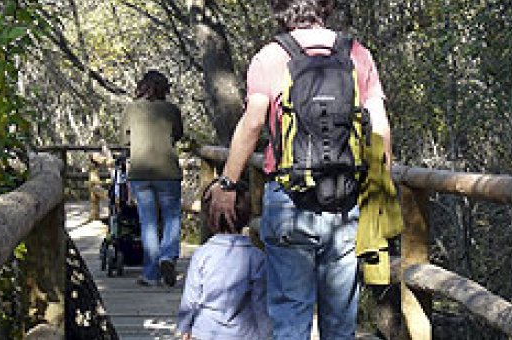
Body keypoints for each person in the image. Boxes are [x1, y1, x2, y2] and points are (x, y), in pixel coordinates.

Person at [205, 0, 392, 338]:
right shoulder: (357, 53)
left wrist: (227, 184)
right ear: (327, 7)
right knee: (340, 320)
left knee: (291, 316)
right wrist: (378, 191)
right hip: (343, 201)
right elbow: (380, 129)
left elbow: (252, 124)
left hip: (289, 201)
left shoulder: (270, 57)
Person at [177, 184, 271, 340]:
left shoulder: (202, 254)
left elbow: (191, 298)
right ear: (247, 217)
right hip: (244, 333)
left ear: (208, 218)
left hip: (205, 331)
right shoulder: (257, 256)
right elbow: (260, 302)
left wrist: (184, 327)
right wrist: (266, 333)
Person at [121, 70, 183, 287]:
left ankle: (151, 274)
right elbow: (178, 134)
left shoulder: (132, 109)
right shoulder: (172, 110)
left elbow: (124, 139)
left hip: (140, 172)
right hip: (168, 172)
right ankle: (168, 256)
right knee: (171, 218)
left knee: (148, 222)